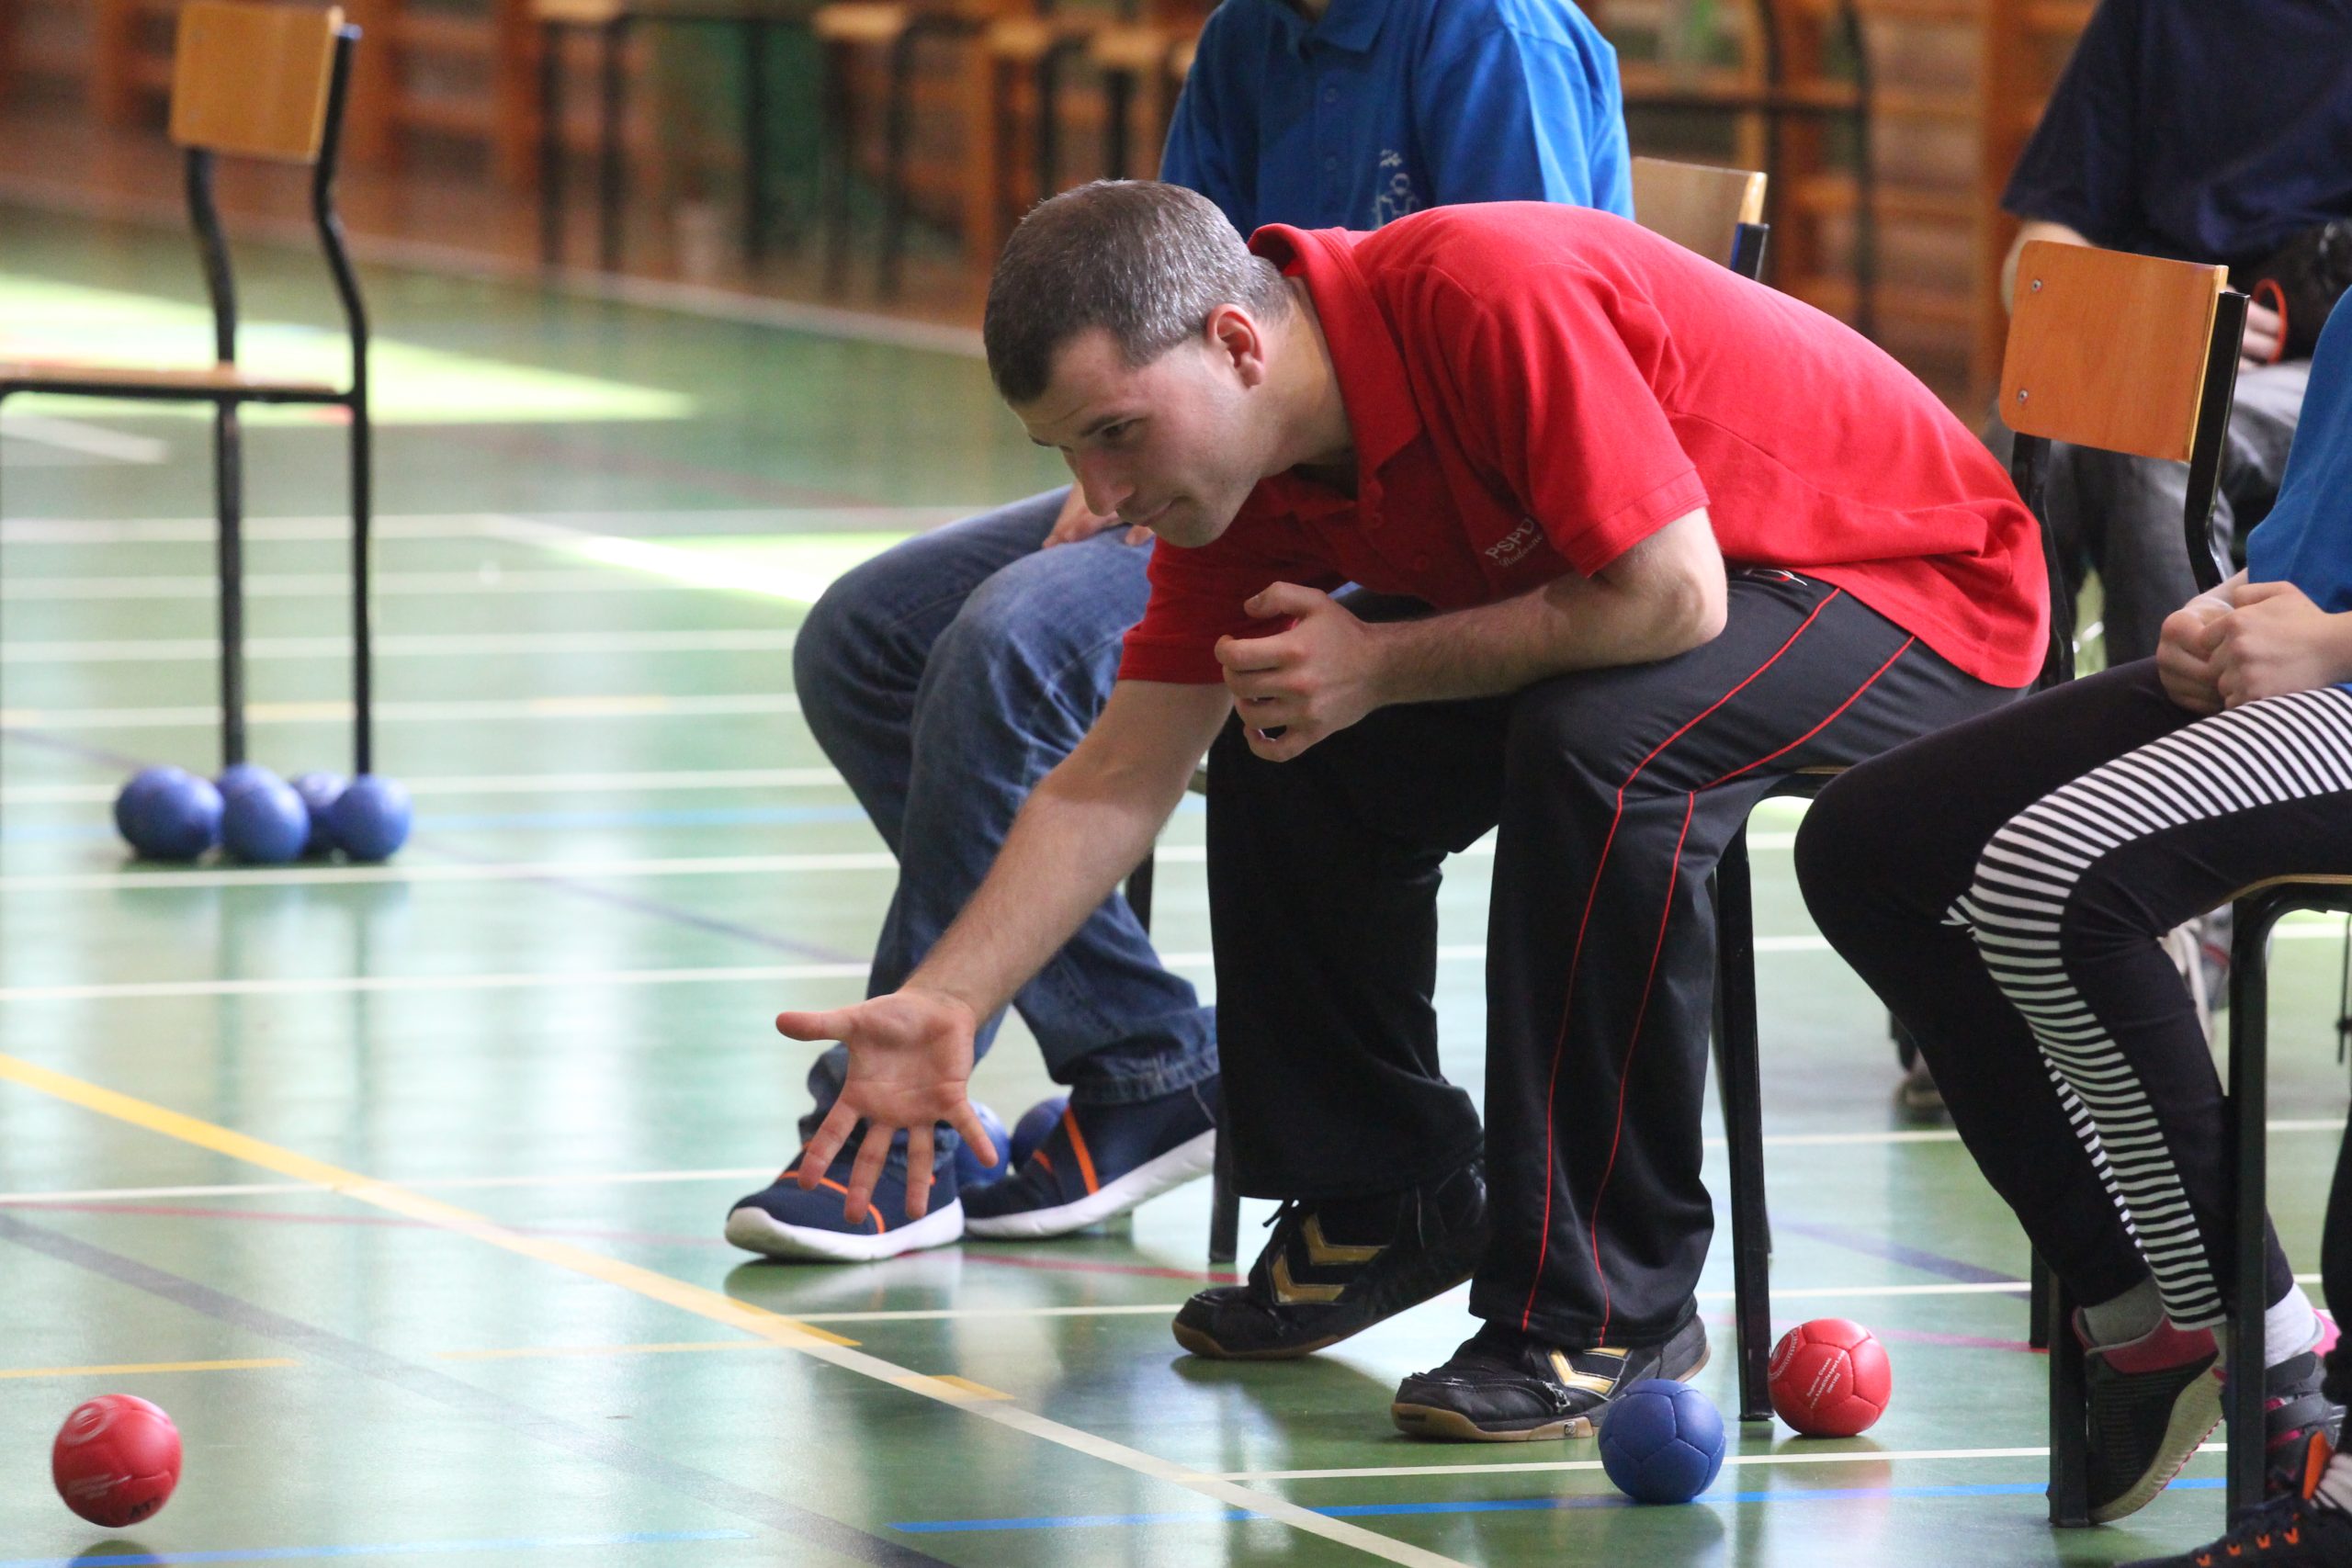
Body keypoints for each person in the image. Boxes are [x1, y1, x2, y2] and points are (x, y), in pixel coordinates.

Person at [777, 179, 2046, 1438]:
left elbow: (1670, 599)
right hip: (1685, 585)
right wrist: (948, 997)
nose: (1100, 496)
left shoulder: (1484, 299)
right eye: (1068, 451)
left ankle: (1615, 1299)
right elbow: (1121, 769)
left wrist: (1380, 663)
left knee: (1596, 747)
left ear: (1234, 342)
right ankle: (1386, 1187)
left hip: (1909, 586)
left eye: (1114, 432)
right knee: (1290, 713)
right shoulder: (1244, 477)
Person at [725, 0, 1637, 1266]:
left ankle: (884, 1141)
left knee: (1017, 640)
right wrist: (1112, 478)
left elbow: (1534, 348)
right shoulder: (1246, 35)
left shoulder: (1488, 34)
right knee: (869, 633)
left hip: (1415, 503)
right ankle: (1151, 1055)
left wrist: (1171, 502)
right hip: (1236, 454)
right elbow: (1163, 307)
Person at [1797, 300, 2352, 1533]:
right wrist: (2238, 608)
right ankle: (2134, 1315)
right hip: (2310, 667)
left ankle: (2276, 1370)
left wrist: (2332, 643)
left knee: (2059, 878)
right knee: (1867, 845)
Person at [1896, 0, 2352, 1122]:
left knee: (2146, 450)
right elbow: (2040, 254)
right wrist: (2142, 323)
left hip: (2308, 368)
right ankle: (1981, 898)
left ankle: (2174, 906)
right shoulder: (2154, 17)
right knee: (2021, 460)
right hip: (2157, 361)